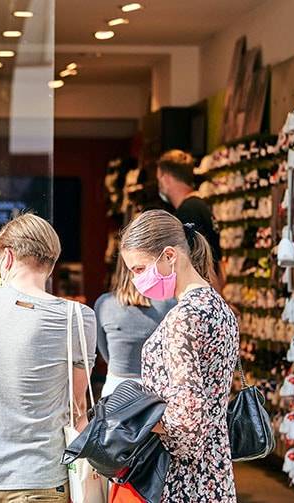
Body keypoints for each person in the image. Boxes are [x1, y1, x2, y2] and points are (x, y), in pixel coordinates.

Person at [0, 213, 97, 503]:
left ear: (7, 257)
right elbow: (77, 405)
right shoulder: (75, 317)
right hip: (42, 476)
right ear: (52, 261)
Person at [120, 210, 239, 502]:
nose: (137, 279)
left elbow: (186, 415)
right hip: (215, 468)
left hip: (180, 477)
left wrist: (140, 426)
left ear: (169, 255)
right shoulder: (217, 306)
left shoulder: (182, 318)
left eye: (139, 269)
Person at [94, 254, 174, 398]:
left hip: (115, 388)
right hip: (155, 389)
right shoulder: (169, 304)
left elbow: (104, 351)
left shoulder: (104, 303)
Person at [155, 150, 226, 291]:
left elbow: (200, 263)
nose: (159, 186)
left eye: (159, 179)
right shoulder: (200, 206)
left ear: (167, 179)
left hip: (200, 294)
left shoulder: (187, 213)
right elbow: (219, 264)